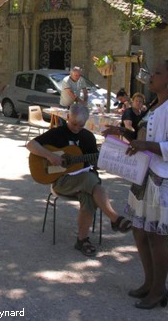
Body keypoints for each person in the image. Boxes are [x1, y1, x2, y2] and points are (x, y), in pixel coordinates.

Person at [103, 60, 168, 310]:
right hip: (146, 176)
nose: (151, 76)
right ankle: (150, 283)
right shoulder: (156, 105)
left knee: (156, 237)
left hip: (165, 180)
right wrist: (122, 133)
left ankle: (159, 289)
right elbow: (146, 138)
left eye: (157, 73)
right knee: (140, 231)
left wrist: (146, 146)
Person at [26, 103, 132, 258]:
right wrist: (50, 156)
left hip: (83, 182)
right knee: (90, 179)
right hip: (61, 181)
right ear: (67, 117)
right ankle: (114, 218)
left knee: (90, 193)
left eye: (80, 125)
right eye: (73, 123)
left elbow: (94, 162)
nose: (76, 128)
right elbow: (30, 144)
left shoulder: (87, 137)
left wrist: (102, 162)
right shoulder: (57, 133)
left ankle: (82, 240)